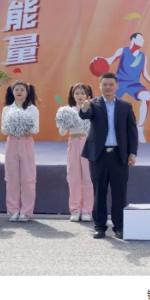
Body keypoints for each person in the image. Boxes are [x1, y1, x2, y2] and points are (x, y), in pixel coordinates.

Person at [79, 72, 138, 239]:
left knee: (119, 193)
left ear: (117, 86)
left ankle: (119, 226)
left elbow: (132, 132)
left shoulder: (125, 106)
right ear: (100, 86)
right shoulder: (93, 104)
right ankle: (100, 226)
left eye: (111, 84)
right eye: (104, 84)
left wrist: (132, 153)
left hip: (119, 155)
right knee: (99, 192)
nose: (108, 87)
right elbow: (85, 115)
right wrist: (84, 109)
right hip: (99, 155)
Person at [101, 32, 150, 143]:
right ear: (133, 40)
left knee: (147, 96)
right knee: (108, 103)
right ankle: (108, 128)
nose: (143, 41)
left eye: (143, 39)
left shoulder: (143, 56)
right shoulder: (122, 51)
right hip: (119, 82)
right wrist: (99, 60)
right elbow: (109, 60)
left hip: (133, 84)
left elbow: (145, 73)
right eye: (140, 39)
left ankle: (140, 127)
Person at [1, 81, 39, 222]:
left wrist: (23, 127)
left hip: (26, 142)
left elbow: (35, 129)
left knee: (28, 178)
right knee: (11, 178)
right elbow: (3, 130)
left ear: (27, 92)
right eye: (16, 89)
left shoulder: (32, 109)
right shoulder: (7, 109)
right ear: (12, 92)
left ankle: (26, 211)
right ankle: (13, 210)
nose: (19, 92)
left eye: (22, 89)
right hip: (11, 142)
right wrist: (13, 126)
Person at [57, 83, 94, 222]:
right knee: (73, 177)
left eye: (82, 93)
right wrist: (64, 123)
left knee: (88, 177)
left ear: (88, 95)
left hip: (88, 143)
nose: (80, 96)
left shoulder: (92, 110)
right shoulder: (67, 111)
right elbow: (62, 132)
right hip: (73, 142)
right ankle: (75, 209)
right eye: (77, 93)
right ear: (72, 95)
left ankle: (87, 209)